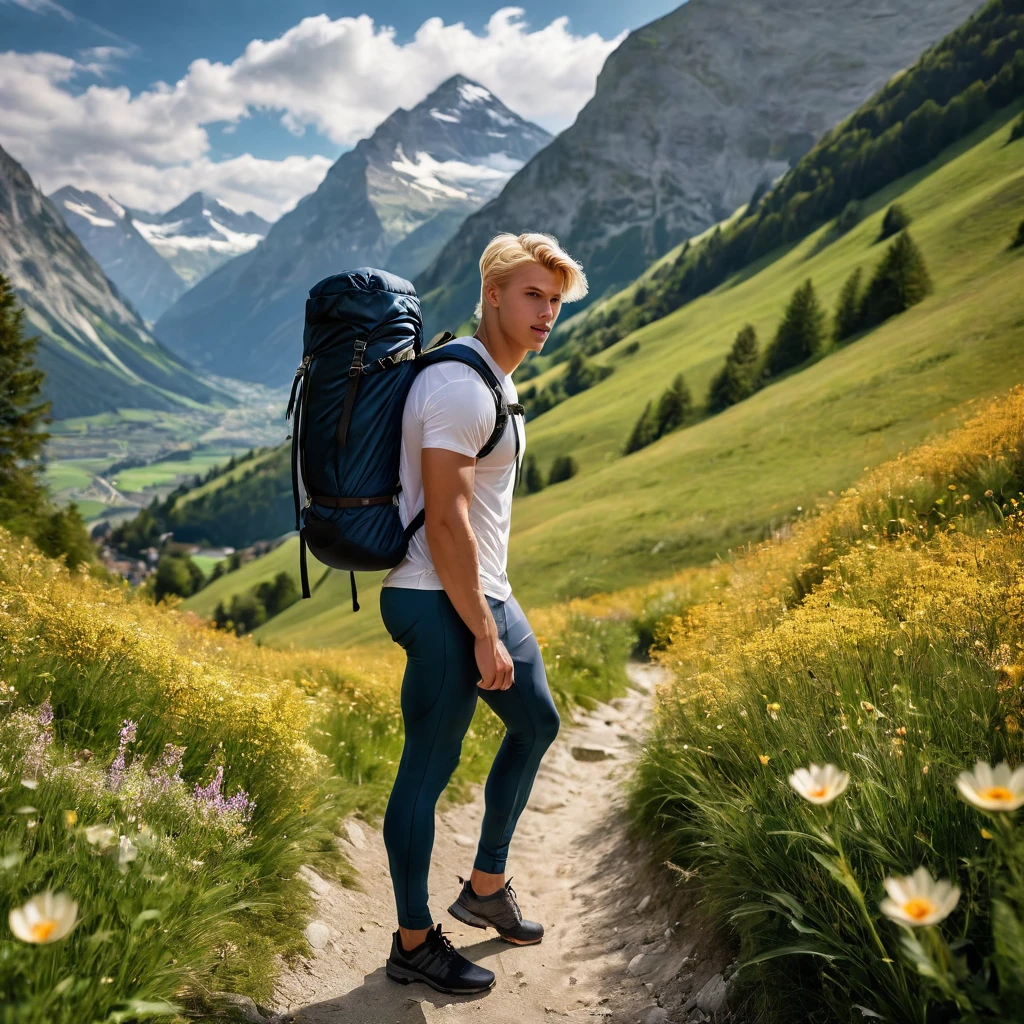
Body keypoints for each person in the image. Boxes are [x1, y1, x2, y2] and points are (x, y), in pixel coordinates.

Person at [379, 231, 589, 995]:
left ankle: (486, 885)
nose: (546, 313)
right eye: (532, 294)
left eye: (555, 300)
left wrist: (490, 612)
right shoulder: (461, 387)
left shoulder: (496, 383)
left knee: (536, 723)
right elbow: (444, 522)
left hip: (481, 590)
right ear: (492, 293)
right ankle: (411, 943)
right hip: (438, 599)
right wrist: (480, 631)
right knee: (426, 773)